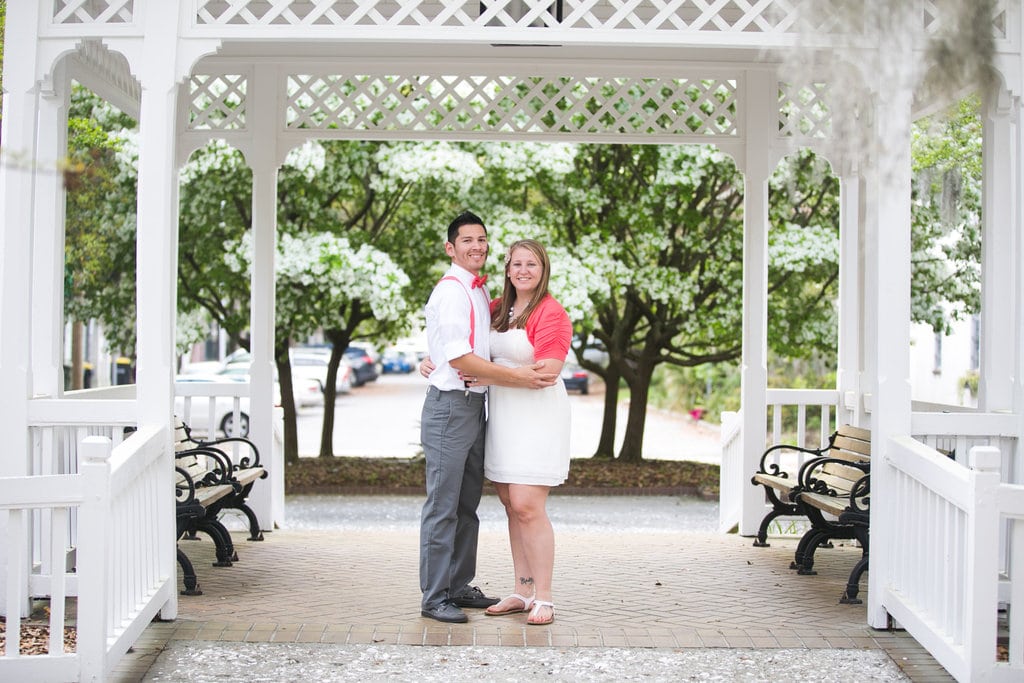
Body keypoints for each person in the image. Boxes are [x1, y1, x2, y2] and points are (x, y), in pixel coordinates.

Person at [423, 239, 573, 626]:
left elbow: (547, 373)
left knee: (527, 505)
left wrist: (492, 376)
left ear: (543, 270)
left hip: (537, 418)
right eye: (516, 264)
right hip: (503, 419)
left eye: (532, 265)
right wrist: (434, 361)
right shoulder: (498, 309)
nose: (523, 271)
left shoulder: (551, 313)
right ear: (507, 269)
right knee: (509, 503)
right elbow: (462, 343)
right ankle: (522, 591)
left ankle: (545, 596)